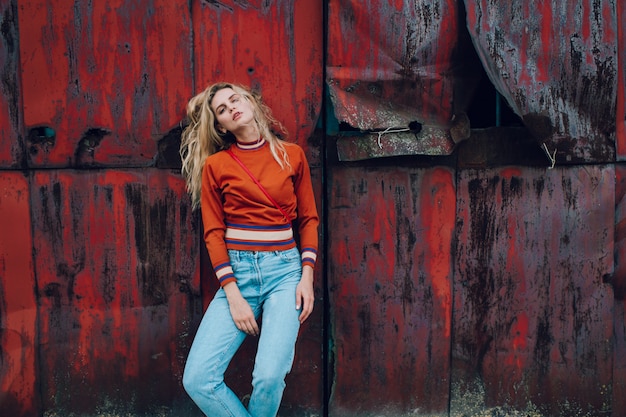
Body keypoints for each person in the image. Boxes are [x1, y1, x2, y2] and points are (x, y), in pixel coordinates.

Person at [179, 82, 319, 417]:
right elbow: (214, 233)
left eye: (235, 100)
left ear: (252, 102)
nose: (231, 109)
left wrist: (307, 277)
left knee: (270, 377)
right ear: (221, 126)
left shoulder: (292, 155)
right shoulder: (217, 166)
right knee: (198, 379)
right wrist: (233, 294)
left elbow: (309, 220)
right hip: (237, 278)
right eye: (222, 110)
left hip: (285, 274)